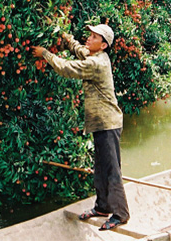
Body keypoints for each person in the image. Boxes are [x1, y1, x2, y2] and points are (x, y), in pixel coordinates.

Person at [31, 24, 130, 231]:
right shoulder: (94, 55)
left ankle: (120, 214)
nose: (89, 38)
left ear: (103, 45)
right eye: (90, 35)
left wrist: (45, 54)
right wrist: (67, 38)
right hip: (100, 123)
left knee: (112, 170)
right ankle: (102, 207)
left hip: (108, 123)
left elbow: (66, 68)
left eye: (94, 37)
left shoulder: (97, 63)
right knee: (101, 168)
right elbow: (79, 50)